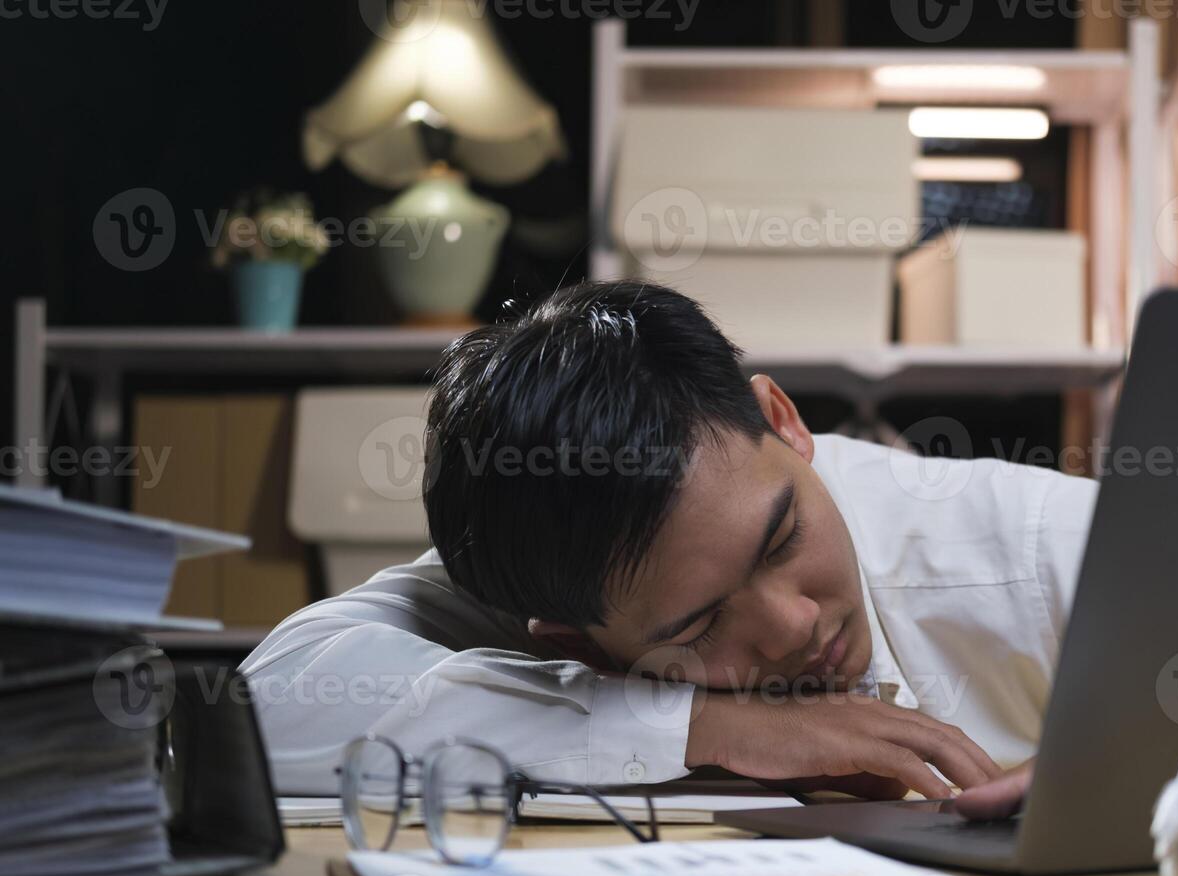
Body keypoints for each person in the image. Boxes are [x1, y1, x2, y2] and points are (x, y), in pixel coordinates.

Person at [240, 280, 1096, 818]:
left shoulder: (1027, 542)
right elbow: (269, 705)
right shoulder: (548, 560)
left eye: (782, 539)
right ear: (572, 643)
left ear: (784, 422)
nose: (793, 625)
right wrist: (711, 725)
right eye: (697, 628)